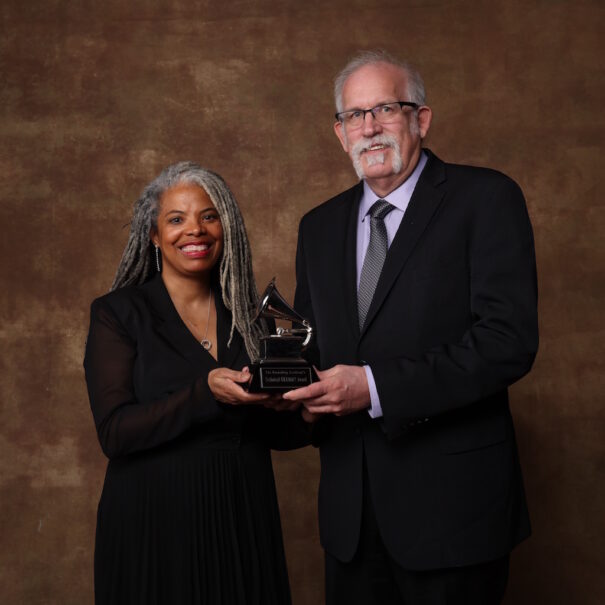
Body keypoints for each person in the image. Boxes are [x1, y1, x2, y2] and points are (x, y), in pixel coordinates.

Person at [283, 50, 538, 604]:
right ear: (339, 132)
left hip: (455, 517)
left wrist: (373, 388)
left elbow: (506, 343)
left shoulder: (486, 199)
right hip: (351, 520)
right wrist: (283, 393)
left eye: (386, 109)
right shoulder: (319, 227)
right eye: (354, 115)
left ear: (421, 118)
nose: (369, 127)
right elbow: (314, 350)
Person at [84, 162, 306, 605]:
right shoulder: (119, 313)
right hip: (154, 521)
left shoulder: (249, 317)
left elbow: (278, 435)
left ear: (226, 225)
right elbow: (115, 433)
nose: (195, 231)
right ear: (153, 235)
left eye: (209, 215)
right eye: (176, 219)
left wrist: (296, 409)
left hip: (243, 513)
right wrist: (205, 393)